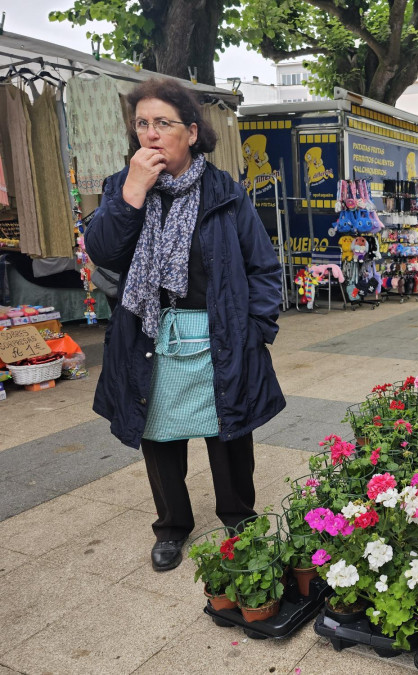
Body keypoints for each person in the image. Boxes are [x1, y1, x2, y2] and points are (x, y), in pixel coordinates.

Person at [85, 78, 286, 572]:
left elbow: (263, 267)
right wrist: (133, 192)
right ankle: (172, 526)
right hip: (150, 333)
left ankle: (239, 517)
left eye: (163, 123)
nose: (150, 134)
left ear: (192, 133)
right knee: (158, 433)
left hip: (219, 332)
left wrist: (258, 329)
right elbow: (103, 252)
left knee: (229, 431)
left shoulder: (226, 193)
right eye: (142, 124)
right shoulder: (120, 188)